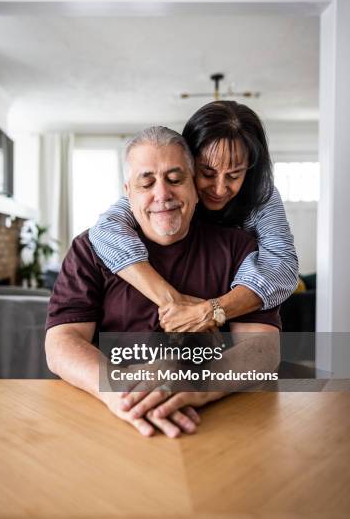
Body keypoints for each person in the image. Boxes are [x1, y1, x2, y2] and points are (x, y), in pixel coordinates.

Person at [45, 126, 280, 439]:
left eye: (175, 179)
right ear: (128, 191)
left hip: (215, 419)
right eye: (147, 182)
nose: (162, 195)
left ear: (195, 185)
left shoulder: (238, 247)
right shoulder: (89, 248)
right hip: (111, 416)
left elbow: (263, 349)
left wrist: (201, 386)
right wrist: (118, 390)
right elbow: (61, 342)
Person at [89, 101, 298, 333]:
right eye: (207, 173)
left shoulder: (261, 192)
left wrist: (209, 311)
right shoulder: (163, 193)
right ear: (187, 165)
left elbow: (283, 266)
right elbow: (105, 230)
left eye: (234, 175)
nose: (219, 189)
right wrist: (175, 303)